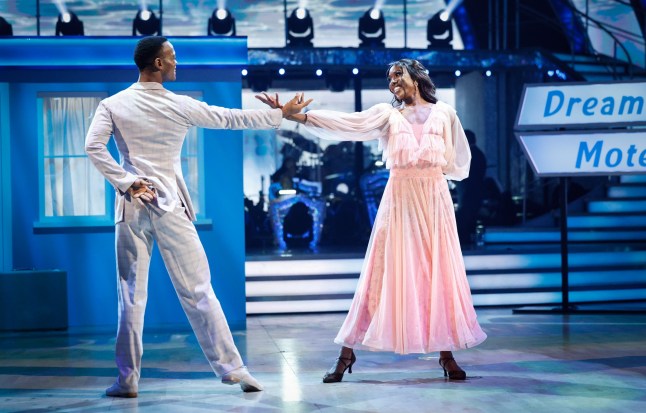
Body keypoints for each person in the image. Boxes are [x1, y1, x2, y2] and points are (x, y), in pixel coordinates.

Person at [85, 36, 311, 397]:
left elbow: (93, 146)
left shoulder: (113, 104)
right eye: (172, 57)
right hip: (170, 205)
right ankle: (234, 369)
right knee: (199, 291)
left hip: (133, 206)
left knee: (130, 296)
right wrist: (278, 115)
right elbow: (228, 119)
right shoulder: (178, 104)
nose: (177, 63)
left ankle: (127, 380)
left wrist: (128, 182)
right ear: (157, 63)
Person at [257, 58, 487, 382]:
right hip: (400, 200)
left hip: (435, 202)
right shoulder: (388, 115)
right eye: (389, 77)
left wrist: (433, 178)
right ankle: (346, 354)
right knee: (379, 274)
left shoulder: (445, 113)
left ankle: (446, 354)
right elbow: (347, 124)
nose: (392, 81)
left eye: (398, 74)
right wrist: (299, 115)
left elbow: (458, 161)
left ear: (417, 76)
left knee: (439, 275)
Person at [455, 129, 487, 246]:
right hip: (475, 195)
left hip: (470, 195)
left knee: (464, 223)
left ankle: (465, 246)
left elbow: (465, 176)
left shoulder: (470, 155)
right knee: (468, 221)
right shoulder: (478, 154)